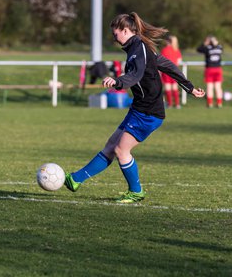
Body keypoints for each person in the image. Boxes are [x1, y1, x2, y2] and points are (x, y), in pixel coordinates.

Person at [65, 12, 205, 203]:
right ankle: (75, 179)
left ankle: (136, 191)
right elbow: (167, 66)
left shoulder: (139, 49)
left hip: (149, 112)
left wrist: (117, 81)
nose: (115, 39)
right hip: (140, 108)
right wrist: (189, 87)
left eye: (116, 34)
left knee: (122, 151)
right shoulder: (138, 48)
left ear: (125, 30)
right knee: (111, 146)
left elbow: (136, 75)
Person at [197, 36, 223, 108]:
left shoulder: (207, 48)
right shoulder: (219, 47)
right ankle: (219, 103)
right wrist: (215, 43)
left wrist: (205, 43)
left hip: (210, 69)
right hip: (217, 69)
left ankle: (210, 103)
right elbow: (220, 48)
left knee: (210, 87)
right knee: (218, 87)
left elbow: (199, 49)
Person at [161, 35, 182, 108]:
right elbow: (179, 61)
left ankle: (170, 104)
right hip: (175, 71)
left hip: (166, 71)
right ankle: (177, 104)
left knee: (168, 88)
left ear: (167, 41)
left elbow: (161, 61)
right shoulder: (176, 50)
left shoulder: (164, 50)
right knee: (175, 88)